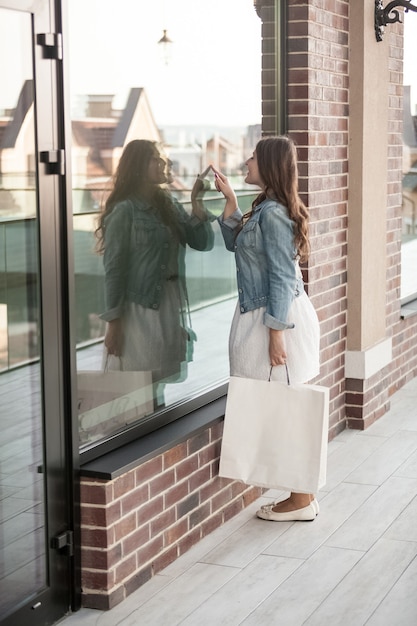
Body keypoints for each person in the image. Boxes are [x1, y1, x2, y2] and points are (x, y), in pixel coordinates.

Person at [213, 135, 321, 522]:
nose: (246, 161)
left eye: (253, 157)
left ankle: (301, 499)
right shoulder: (266, 209)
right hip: (269, 315)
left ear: (270, 164)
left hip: (275, 318)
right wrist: (231, 205)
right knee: (282, 408)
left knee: (286, 409)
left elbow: (279, 276)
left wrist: (276, 334)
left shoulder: (274, 214)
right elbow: (238, 246)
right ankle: (302, 494)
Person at [95, 139, 214, 407]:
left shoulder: (167, 203)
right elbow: (114, 269)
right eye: (156, 159)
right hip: (140, 307)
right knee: (139, 382)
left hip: (168, 301)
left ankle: (151, 427)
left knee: (156, 378)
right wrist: (114, 323)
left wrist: (197, 202)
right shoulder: (124, 211)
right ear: (138, 166)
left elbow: (201, 242)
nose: (164, 164)